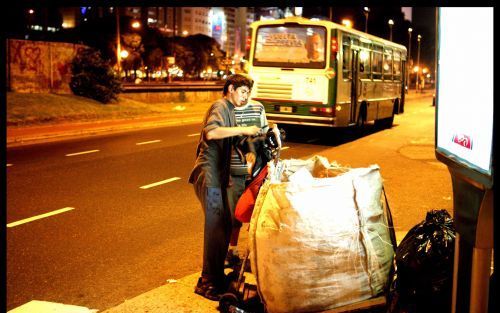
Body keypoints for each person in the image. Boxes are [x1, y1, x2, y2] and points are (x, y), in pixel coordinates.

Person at [189, 74, 261, 301]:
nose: (245, 97)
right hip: (207, 176)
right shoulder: (220, 106)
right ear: (230, 88)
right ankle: (207, 281)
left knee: (223, 226)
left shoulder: (232, 111)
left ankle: (215, 277)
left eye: (248, 93)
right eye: (242, 92)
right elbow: (212, 132)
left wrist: (252, 144)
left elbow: (234, 140)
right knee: (216, 228)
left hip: (218, 178)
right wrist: (244, 130)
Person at [225, 97, 281, 268]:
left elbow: (264, 132)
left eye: (247, 91)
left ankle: (252, 254)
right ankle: (232, 251)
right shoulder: (225, 109)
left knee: (255, 213)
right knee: (235, 213)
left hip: (256, 169)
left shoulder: (257, 107)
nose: (244, 94)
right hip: (234, 170)